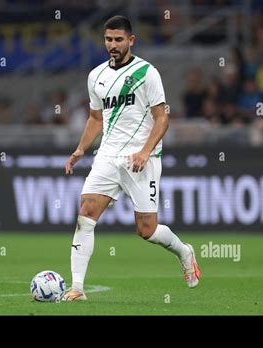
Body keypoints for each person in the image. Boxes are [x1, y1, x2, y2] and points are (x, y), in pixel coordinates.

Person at [62, 15, 200, 301]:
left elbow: (162, 118)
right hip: (108, 156)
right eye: (108, 40)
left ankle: (183, 251)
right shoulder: (96, 76)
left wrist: (145, 151)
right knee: (86, 214)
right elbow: (95, 118)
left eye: (118, 40)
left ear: (131, 41)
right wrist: (80, 149)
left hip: (141, 158)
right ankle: (77, 288)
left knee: (146, 229)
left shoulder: (147, 73)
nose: (112, 45)